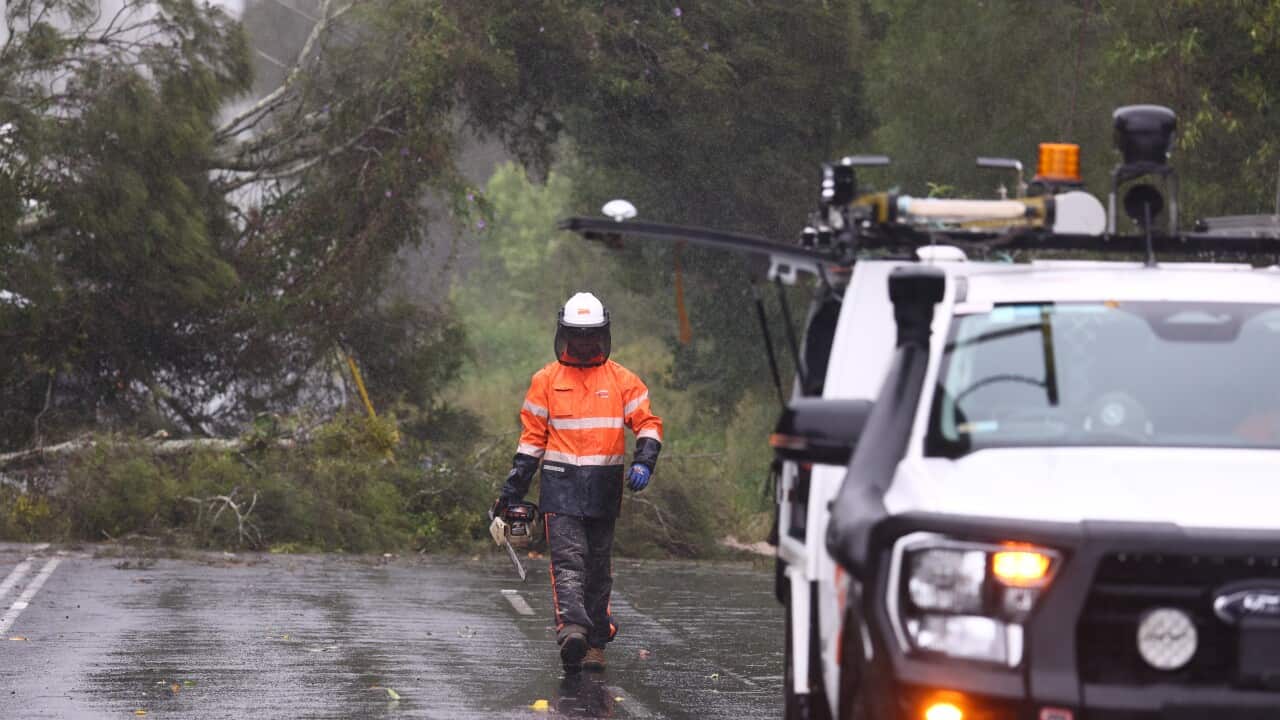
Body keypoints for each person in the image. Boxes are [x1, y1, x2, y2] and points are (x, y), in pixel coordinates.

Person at [491, 291, 663, 673]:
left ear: (602, 335)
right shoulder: (546, 381)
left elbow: (648, 424)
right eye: (577, 335)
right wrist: (511, 492)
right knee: (569, 563)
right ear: (563, 335)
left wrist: (645, 462)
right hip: (560, 486)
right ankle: (572, 630)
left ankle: (595, 643)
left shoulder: (622, 379)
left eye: (591, 335)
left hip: (605, 486)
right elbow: (532, 441)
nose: (584, 343)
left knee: (598, 568)